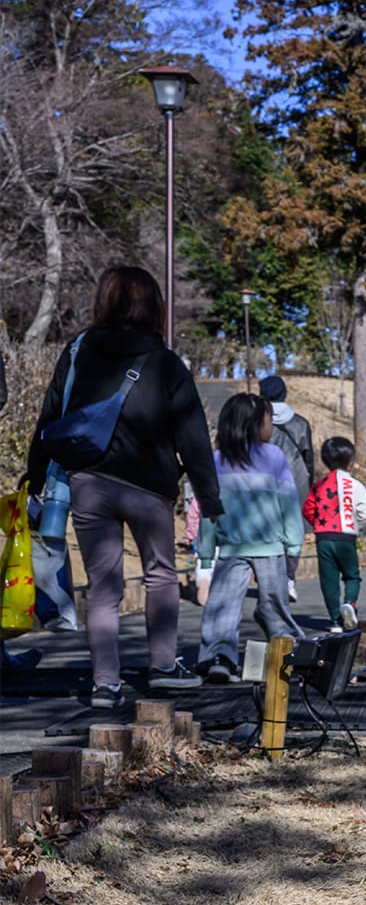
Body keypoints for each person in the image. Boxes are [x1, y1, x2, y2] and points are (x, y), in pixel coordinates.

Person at [24, 266, 218, 705]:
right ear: (153, 306)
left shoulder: (77, 351)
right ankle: (164, 666)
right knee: (161, 574)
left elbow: (49, 417)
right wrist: (210, 496)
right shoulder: (165, 362)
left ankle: (105, 683)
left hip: (90, 483)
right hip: (150, 487)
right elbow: (193, 433)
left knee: (103, 587)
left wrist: (35, 474)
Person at [197, 392, 305, 684]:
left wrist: (206, 550)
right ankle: (290, 652)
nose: (271, 426)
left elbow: (210, 511)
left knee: (223, 604)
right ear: (256, 423)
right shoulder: (273, 456)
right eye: (268, 419)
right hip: (270, 547)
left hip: (231, 547)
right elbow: (288, 502)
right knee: (274, 604)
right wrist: (294, 542)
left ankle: (219, 657)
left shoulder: (216, 460)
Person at [301, 436, 366, 633]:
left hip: (323, 537)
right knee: (352, 575)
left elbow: (307, 509)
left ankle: (334, 620)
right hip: (346, 536)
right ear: (350, 460)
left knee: (328, 579)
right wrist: (356, 523)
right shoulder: (355, 485)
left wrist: (317, 523)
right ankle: (349, 603)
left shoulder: (318, 486)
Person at [258, 375, 314, 602]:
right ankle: (289, 579)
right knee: (294, 532)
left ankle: (270, 580)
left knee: (268, 529)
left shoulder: (257, 421)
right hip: (296, 478)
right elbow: (308, 456)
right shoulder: (300, 423)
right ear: (285, 394)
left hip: (265, 478)